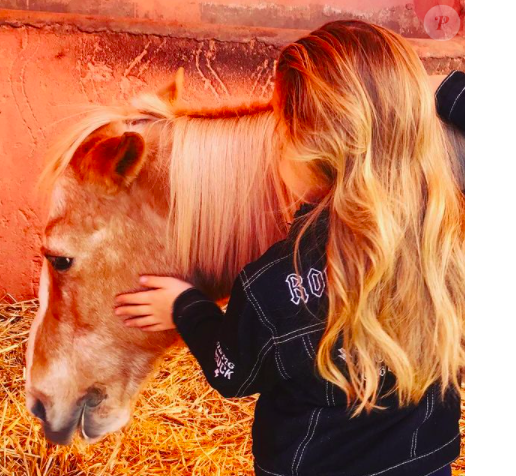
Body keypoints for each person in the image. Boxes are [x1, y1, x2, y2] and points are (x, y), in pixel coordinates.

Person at [115, 21, 465, 476]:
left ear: (304, 147)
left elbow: (232, 374)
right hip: (427, 463)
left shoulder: (272, 286)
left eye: (281, 125)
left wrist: (186, 308)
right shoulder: (448, 243)